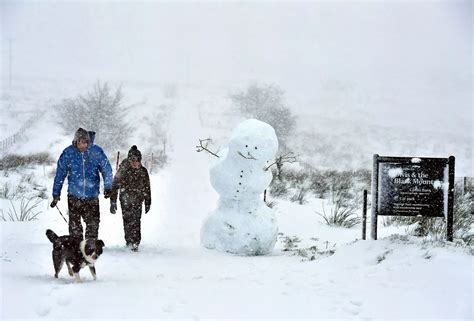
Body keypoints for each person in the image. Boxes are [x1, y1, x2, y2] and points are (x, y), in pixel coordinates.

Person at [50, 128, 113, 240]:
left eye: (85, 142)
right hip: (74, 196)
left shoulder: (96, 152)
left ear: (88, 142)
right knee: (75, 227)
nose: (82, 145)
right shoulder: (68, 153)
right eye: (80, 142)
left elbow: (106, 169)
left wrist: (108, 186)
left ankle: (90, 246)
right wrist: (56, 193)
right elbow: (60, 174)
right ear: (76, 141)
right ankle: (77, 248)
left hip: (92, 196)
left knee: (93, 224)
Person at [110, 145, 151, 252]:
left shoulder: (143, 171)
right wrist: (113, 201)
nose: (135, 163)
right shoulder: (123, 170)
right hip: (125, 200)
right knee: (127, 221)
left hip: (138, 200)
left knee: (136, 221)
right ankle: (129, 241)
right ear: (129, 160)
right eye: (133, 161)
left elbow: (147, 187)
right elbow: (115, 185)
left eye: (137, 161)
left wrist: (148, 201)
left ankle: (136, 242)